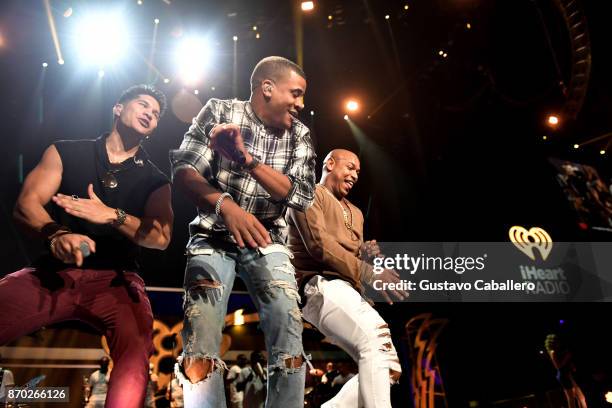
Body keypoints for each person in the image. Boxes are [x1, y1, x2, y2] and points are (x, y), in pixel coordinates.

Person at [1, 84, 173, 407]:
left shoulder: (156, 180)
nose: (151, 112)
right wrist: (57, 234)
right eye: (143, 104)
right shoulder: (65, 151)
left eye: (157, 113)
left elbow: (161, 237)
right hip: (55, 271)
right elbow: (26, 204)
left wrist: (112, 215)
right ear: (118, 109)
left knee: (136, 347)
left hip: (117, 280)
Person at [170, 56, 316, 407]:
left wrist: (245, 159)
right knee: (201, 337)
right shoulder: (219, 111)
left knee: (287, 332)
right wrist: (226, 206)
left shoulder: (300, 134)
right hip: (212, 235)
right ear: (267, 88)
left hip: (268, 239)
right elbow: (184, 170)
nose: (301, 104)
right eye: (295, 93)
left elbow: (302, 195)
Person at [286, 149, 407, 408]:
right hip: (316, 285)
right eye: (350, 167)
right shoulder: (306, 192)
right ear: (329, 164)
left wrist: (367, 257)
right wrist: (369, 272)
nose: (354, 175)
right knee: (375, 342)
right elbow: (319, 246)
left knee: (388, 367)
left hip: (346, 290)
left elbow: (352, 258)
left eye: (358, 172)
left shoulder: (356, 212)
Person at [544, 334, 588, 408]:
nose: (559, 343)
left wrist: (571, 365)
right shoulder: (553, 352)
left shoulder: (559, 350)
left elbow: (566, 362)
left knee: (581, 397)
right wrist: (566, 357)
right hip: (564, 376)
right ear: (553, 343)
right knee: (571, 398)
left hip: (569, 374)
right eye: (556, 341)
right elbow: (558, 366)